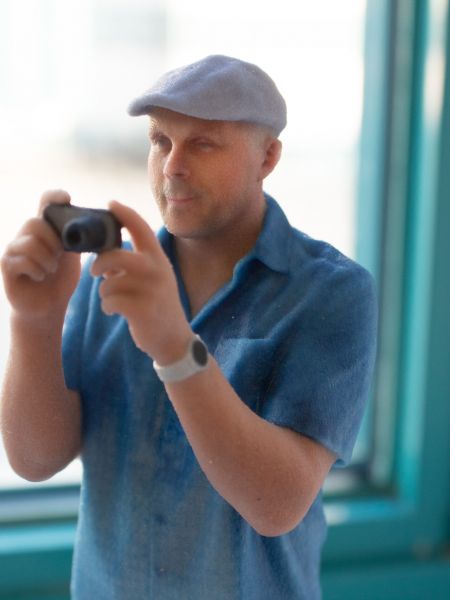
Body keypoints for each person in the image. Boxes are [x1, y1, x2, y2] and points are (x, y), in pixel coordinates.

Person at [0, 55, 377, 599]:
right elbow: (36, 459)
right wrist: (33, 320)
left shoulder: (332, 293)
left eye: (202, 144)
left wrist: (176, 349)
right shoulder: (110, 276)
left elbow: (278, 505)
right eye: (160, 140)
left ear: (267, 157)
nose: (172, 166)